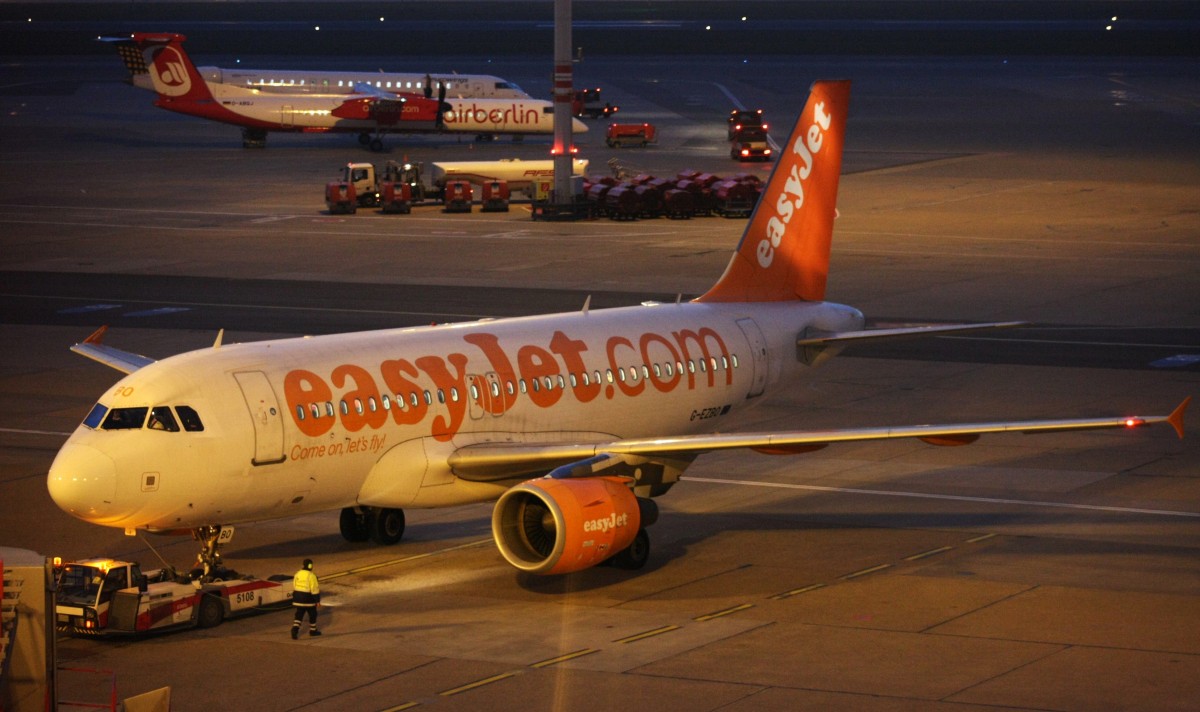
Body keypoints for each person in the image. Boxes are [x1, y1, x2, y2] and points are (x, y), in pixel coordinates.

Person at [291, 558, 321, 639]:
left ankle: (294, 630)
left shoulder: (297, 574)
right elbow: (314, 589)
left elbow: (294, 585)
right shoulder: (311, 576)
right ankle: (313, 630)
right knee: (313, 614)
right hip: (308, 599)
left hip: (297, 598)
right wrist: (317, 601)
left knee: (299, 615)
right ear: (310, 566)